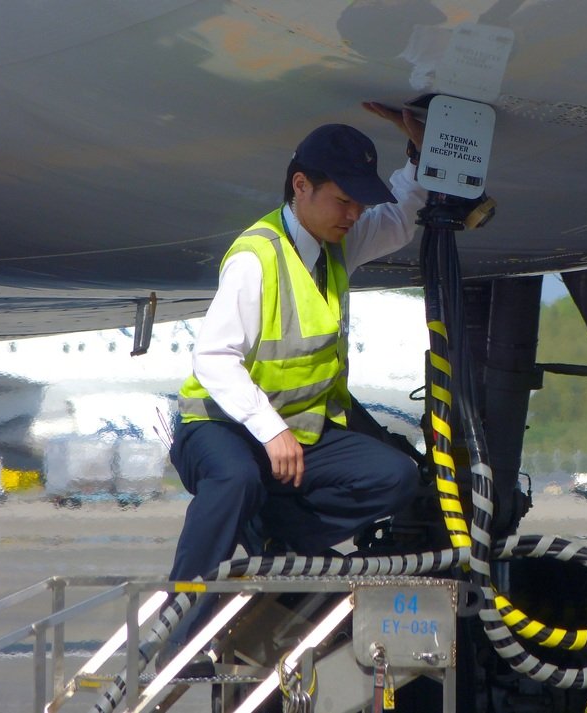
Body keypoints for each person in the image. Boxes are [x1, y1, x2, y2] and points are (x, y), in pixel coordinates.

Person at [162, 104, 427, 667]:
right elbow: (212, 358)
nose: (354, 214)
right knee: (235, 481)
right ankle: (181, 632)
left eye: (359, 202)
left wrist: (422, 154)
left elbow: (398, 221)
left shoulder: (335, 243)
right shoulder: (256, 258)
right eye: (343, 200)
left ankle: (277, 539)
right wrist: (269, 428)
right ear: (300, 187)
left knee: (395, 476)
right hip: (220, 426)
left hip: (296, 435)